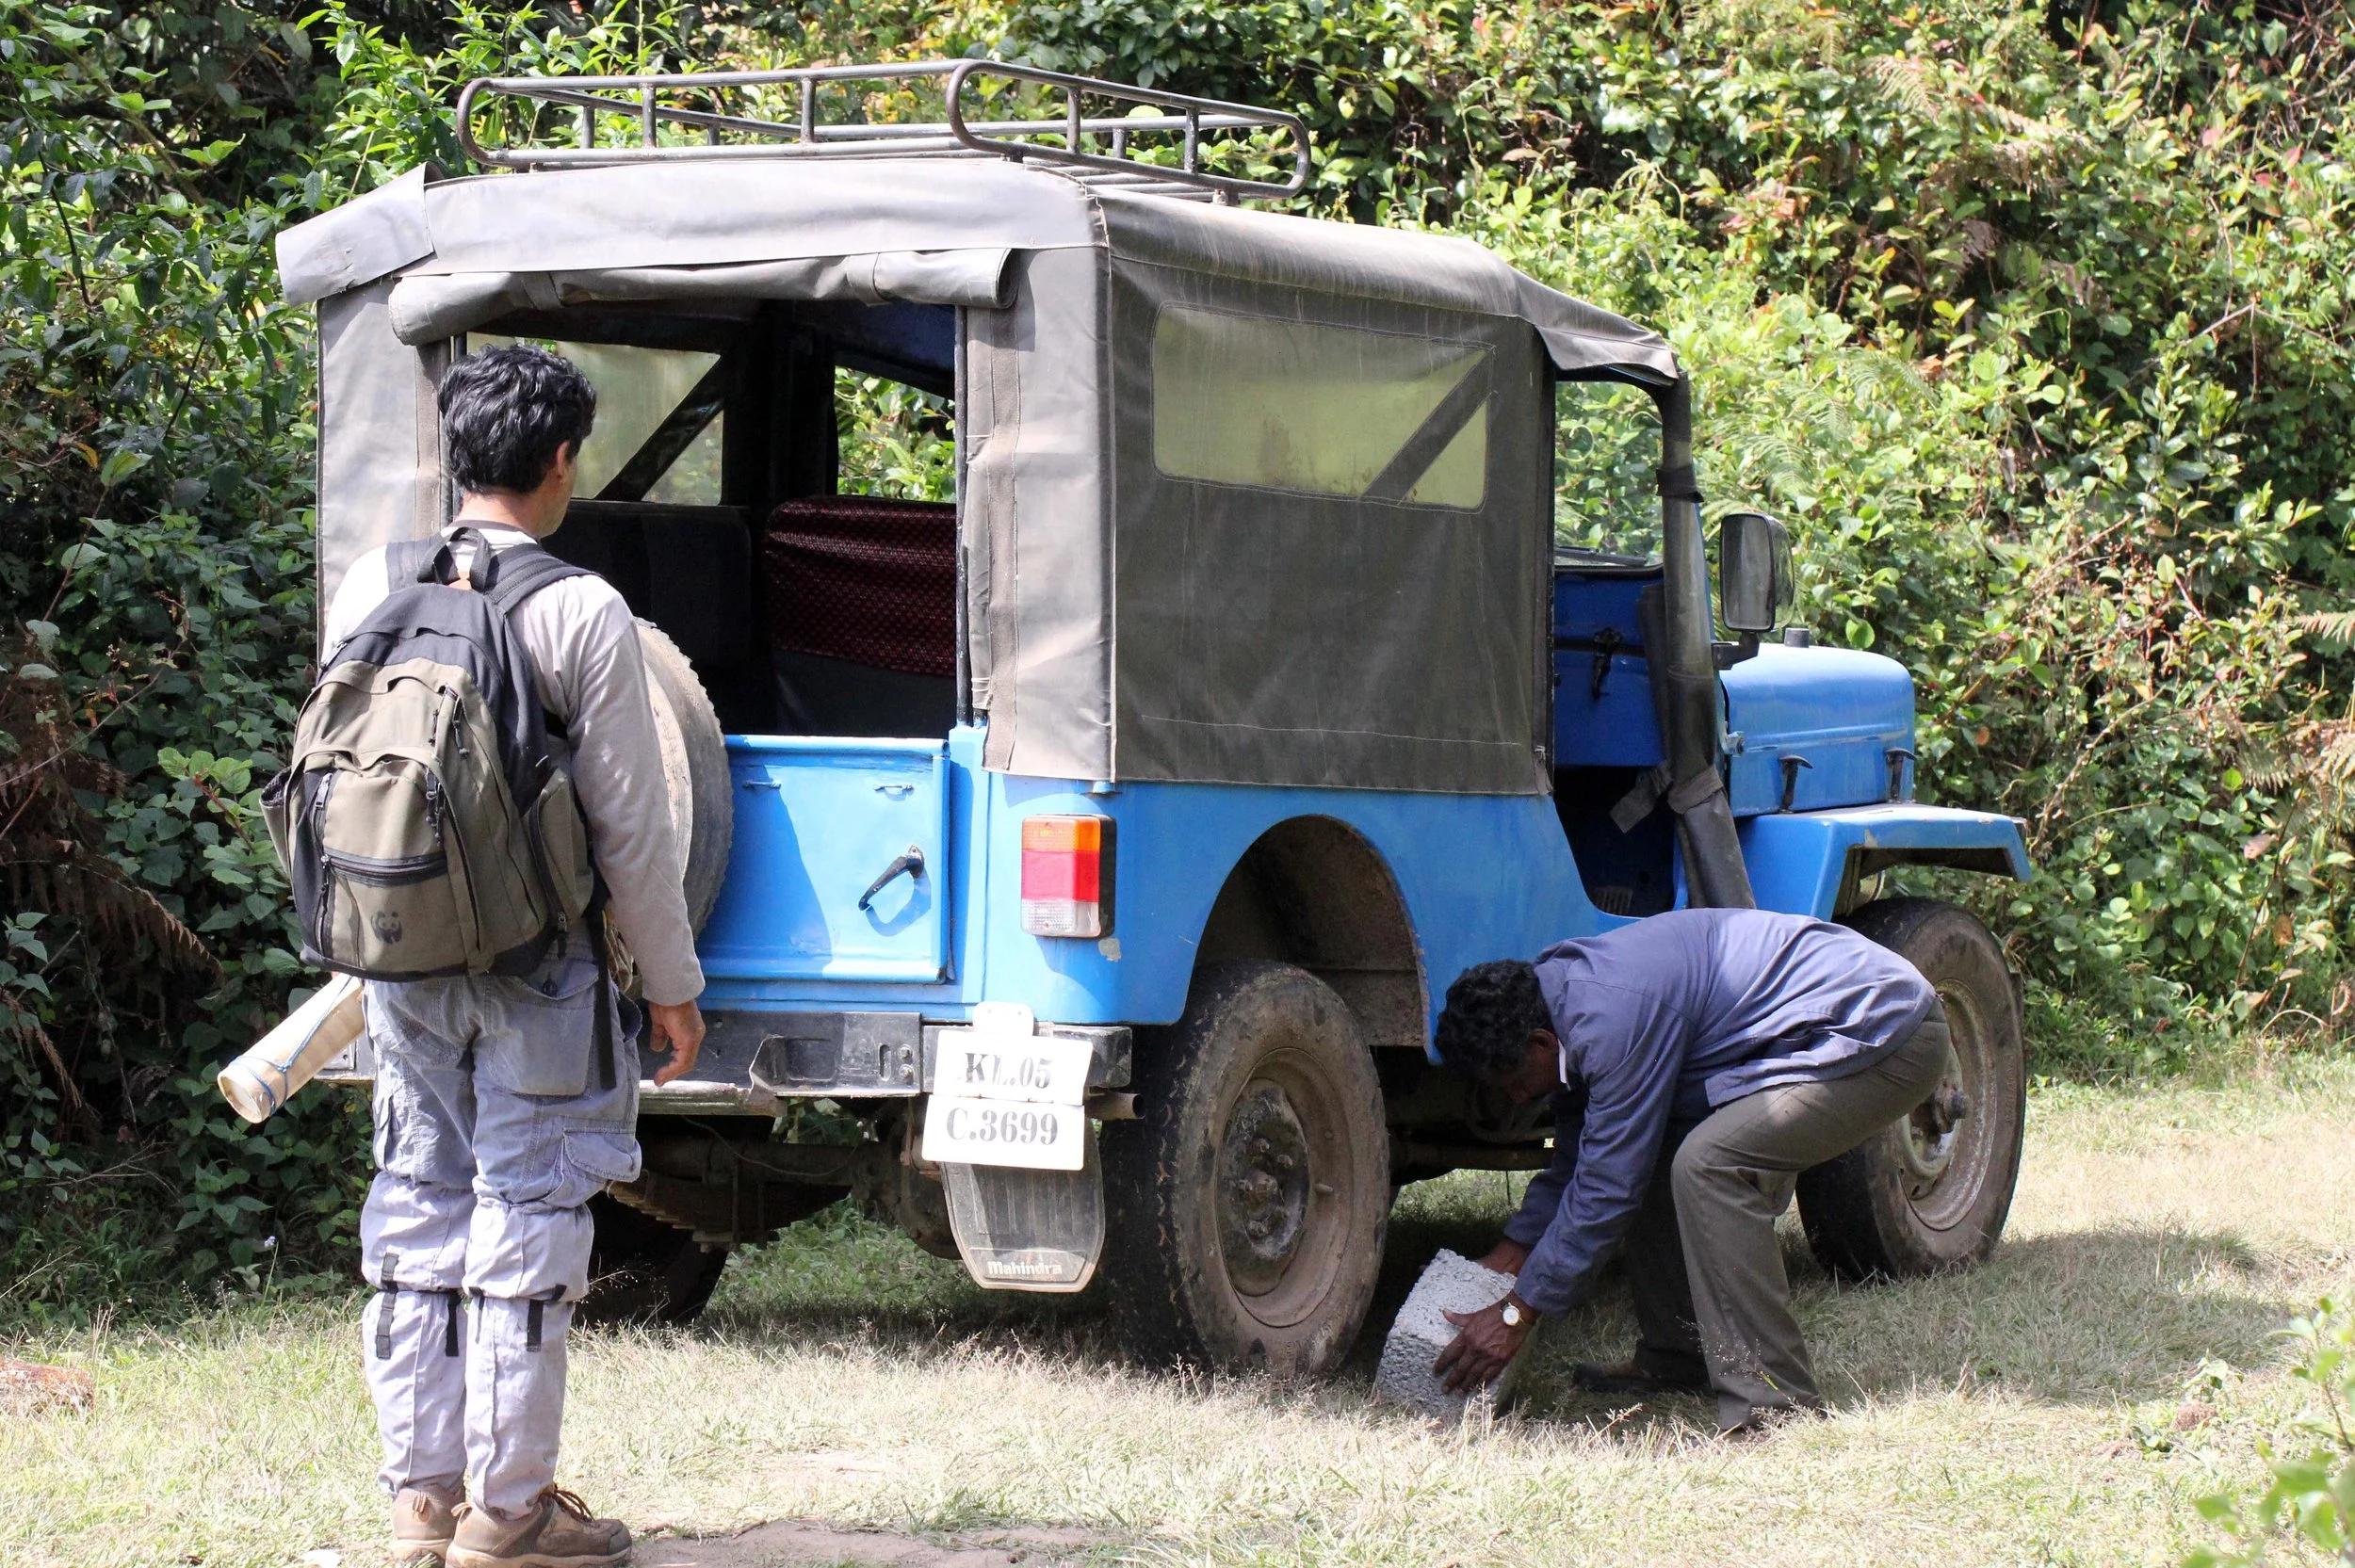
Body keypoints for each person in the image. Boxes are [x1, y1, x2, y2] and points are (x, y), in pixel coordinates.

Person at [322, 345, 707, 1568]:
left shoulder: (368, 591)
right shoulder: (581, 612)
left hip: (402, 966)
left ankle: (419, 1504)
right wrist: (674, 988)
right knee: (526, 1226)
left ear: (454, 456)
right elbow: (632, 829)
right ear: (558, 464)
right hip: (542, 971)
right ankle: (511, 1514)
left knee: (416, 1212)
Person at [1427, 908, 1948, 1433]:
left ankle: (1774, 1402)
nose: (1517, 1098)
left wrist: (1517, 1312)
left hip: (1886, 1032)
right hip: (1837, 1027)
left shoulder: (1609, 1020)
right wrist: (1506, 1257)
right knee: (1653, 1150)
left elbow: (1606, 1188)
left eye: (1513, 1082)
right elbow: (1580, 1157)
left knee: (1711, 1164)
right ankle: (1680, 1355)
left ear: (1540, 1043)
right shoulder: (1560, 1003)